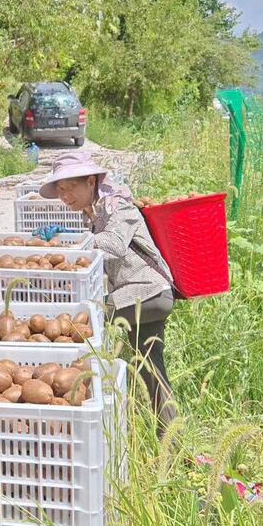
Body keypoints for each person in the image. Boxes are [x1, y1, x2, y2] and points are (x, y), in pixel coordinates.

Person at [39, 150, 178, 431]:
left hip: (149, 292)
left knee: (84, 323)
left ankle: (75, 399)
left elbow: (113, 245)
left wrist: (73, 244)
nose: (65, 196)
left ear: (91, 182)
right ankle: (172, 444)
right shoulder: (94, 214)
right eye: (60, 190)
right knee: (151, 369)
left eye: (70, 188)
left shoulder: (119, 207)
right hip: (136, 295)